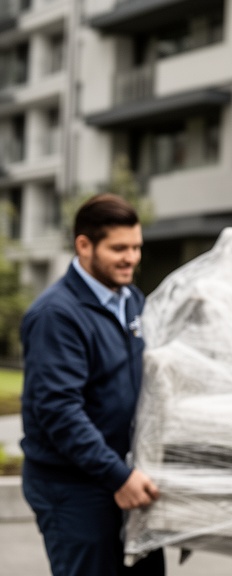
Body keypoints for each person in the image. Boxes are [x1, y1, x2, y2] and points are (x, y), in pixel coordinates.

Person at [20, 193, 165, 575]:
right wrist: (118, 476)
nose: (131, 258)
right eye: (119, 248)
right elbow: (58, 410)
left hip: (126, 477)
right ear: (84, 245)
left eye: (136, 247)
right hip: (77, 489)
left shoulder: (131, 299)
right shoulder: (57, 315)